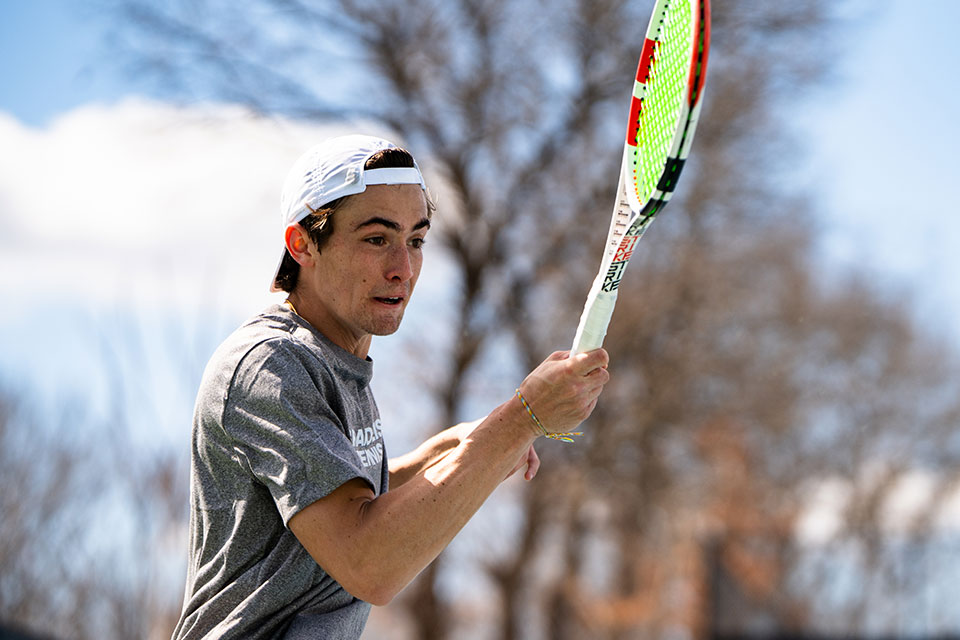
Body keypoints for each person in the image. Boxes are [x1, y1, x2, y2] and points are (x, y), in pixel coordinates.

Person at [171, 134, 609, 639]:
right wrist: (519, 421)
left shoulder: (334, 358)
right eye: (377, 239)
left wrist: (454, 450)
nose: (402, 268)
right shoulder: (271, 365)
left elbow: (328, 499)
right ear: (302, 244)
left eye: (416, 240)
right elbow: (367, 559)